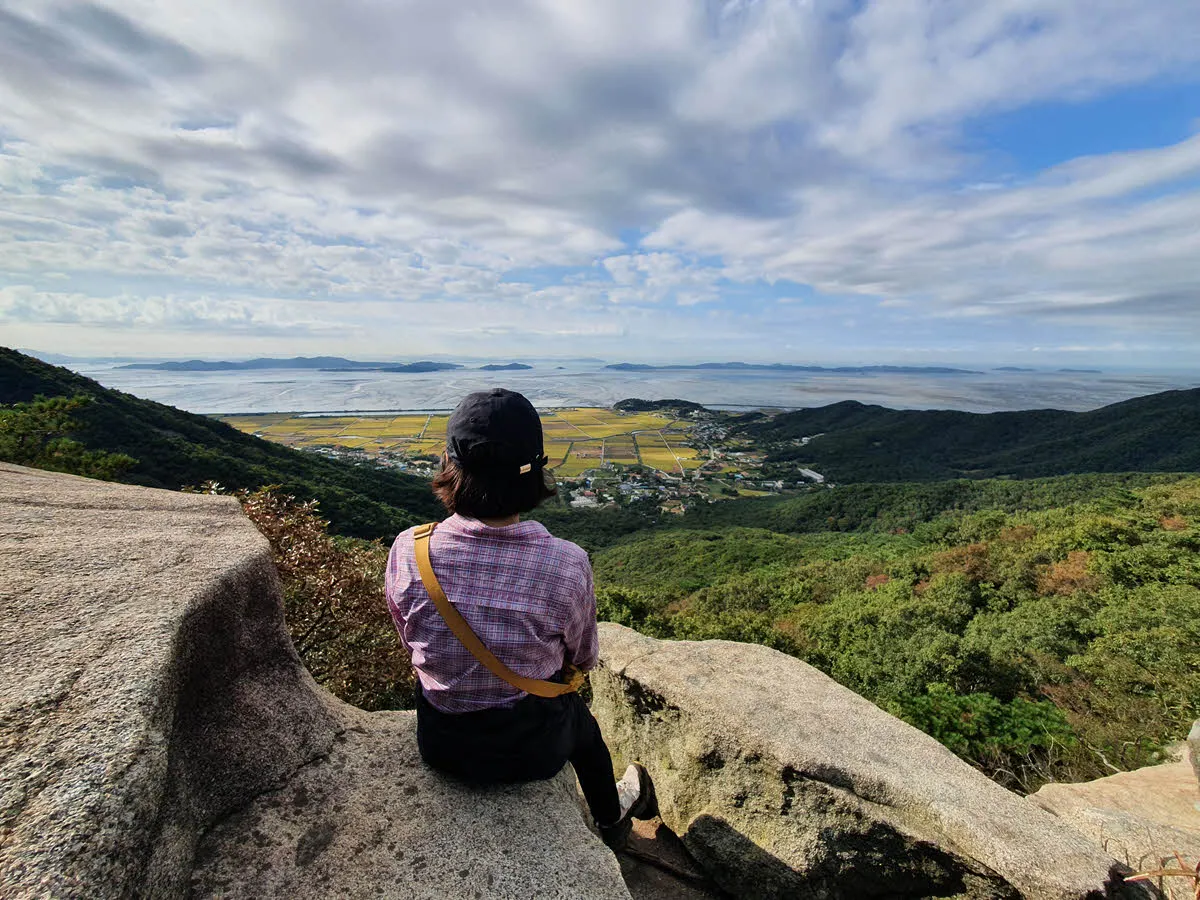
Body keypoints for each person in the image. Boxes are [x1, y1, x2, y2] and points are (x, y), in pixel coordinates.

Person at [384, 388, 657, 849]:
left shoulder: (410, 550)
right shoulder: (566, 563)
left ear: (451, 466)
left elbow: (407, 636)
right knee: (586, 735)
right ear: (534, 472)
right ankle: (613, 824)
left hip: (442, 742)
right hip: (532, 749)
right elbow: (584, 659)